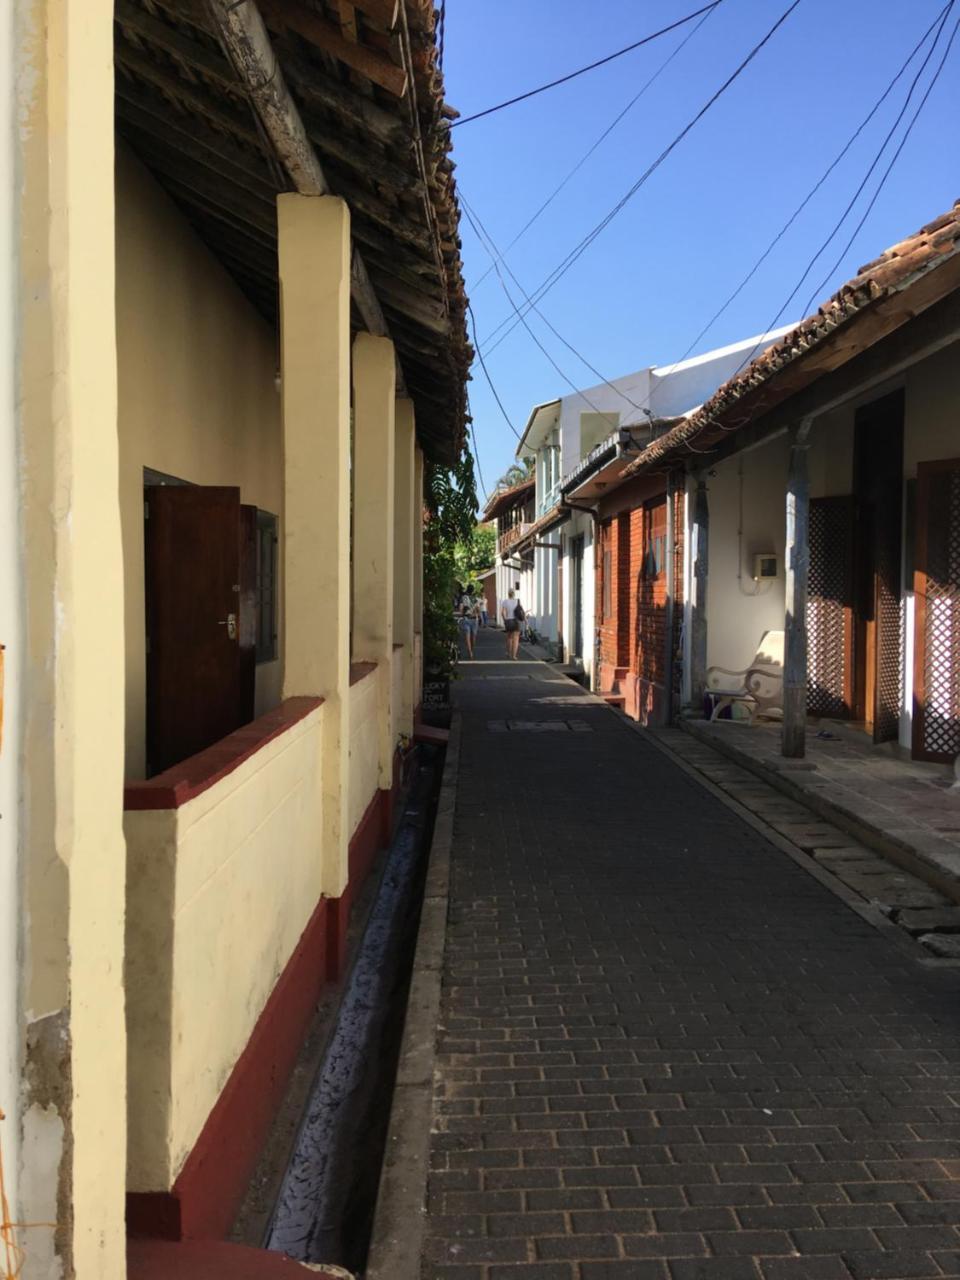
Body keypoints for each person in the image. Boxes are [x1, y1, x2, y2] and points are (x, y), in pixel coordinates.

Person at [500, 589, 523, 660]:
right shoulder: (517, 601)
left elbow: (502, 613)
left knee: (509, 637)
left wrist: (505, 621)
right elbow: (521, 611)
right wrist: (525, 620)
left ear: (508, 594)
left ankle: (508, 653)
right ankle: (514, 656)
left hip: (509, 621)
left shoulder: (505, 601)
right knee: (516, 639)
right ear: (514, 594)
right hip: (516, 621)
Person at [457, 587, 479, 659]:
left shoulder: (463, 598)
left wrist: (462, 614)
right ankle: (471, 651)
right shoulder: (475, 598)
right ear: (473, 591)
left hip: (466, 618)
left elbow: (460, 608)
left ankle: (470, 652)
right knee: (473, 636)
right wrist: (477, 614)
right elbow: (478, 608)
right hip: (474, 619)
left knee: (468, 636)